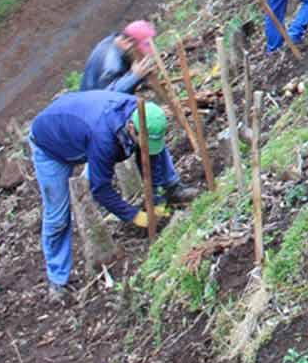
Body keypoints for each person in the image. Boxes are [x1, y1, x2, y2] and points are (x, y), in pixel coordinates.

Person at [27, 90, 196, 302]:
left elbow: (151, 161)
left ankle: (170, 192)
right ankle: (57, 281)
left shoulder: (145, 114)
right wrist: (135, 216)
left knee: (156, 154)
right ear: (132, 129)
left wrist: (158, 201)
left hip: (80, 133)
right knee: (58, 216)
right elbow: (101, 189)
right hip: (50, 145)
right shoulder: (104, 137)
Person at [80, 20, 157, 93]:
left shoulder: (115, 40)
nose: (145, 54)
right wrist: (135, 76)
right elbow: (106, 97)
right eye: (141, 49)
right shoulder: (112, 66)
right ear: (127, 42)